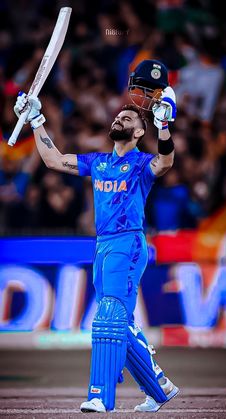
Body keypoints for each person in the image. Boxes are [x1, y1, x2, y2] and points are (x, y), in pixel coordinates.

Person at [13, 63, 179, 413]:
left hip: (129, 243)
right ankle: (159, 388)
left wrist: (164, 126)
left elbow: (165, 163)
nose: (120, 119)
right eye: (119, 116)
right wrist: (36, 120)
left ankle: (100, 396)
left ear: (139, 132)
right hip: (103, 245)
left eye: (128, 119)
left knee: (107, 316)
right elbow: (55, 161)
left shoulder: (141, 164)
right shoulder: (99, 162)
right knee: (119, 321)